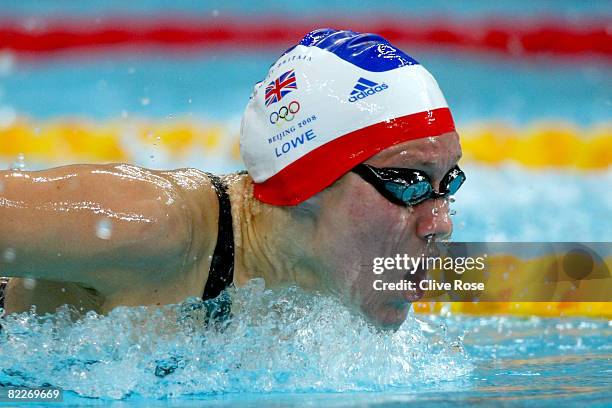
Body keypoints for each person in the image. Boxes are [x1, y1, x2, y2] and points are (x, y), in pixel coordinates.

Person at [0, 29, 463, 329]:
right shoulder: (153, 228)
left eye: (449, 183)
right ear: (305, 182)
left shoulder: (323, 288)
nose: (441, 222)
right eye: (410, 182)